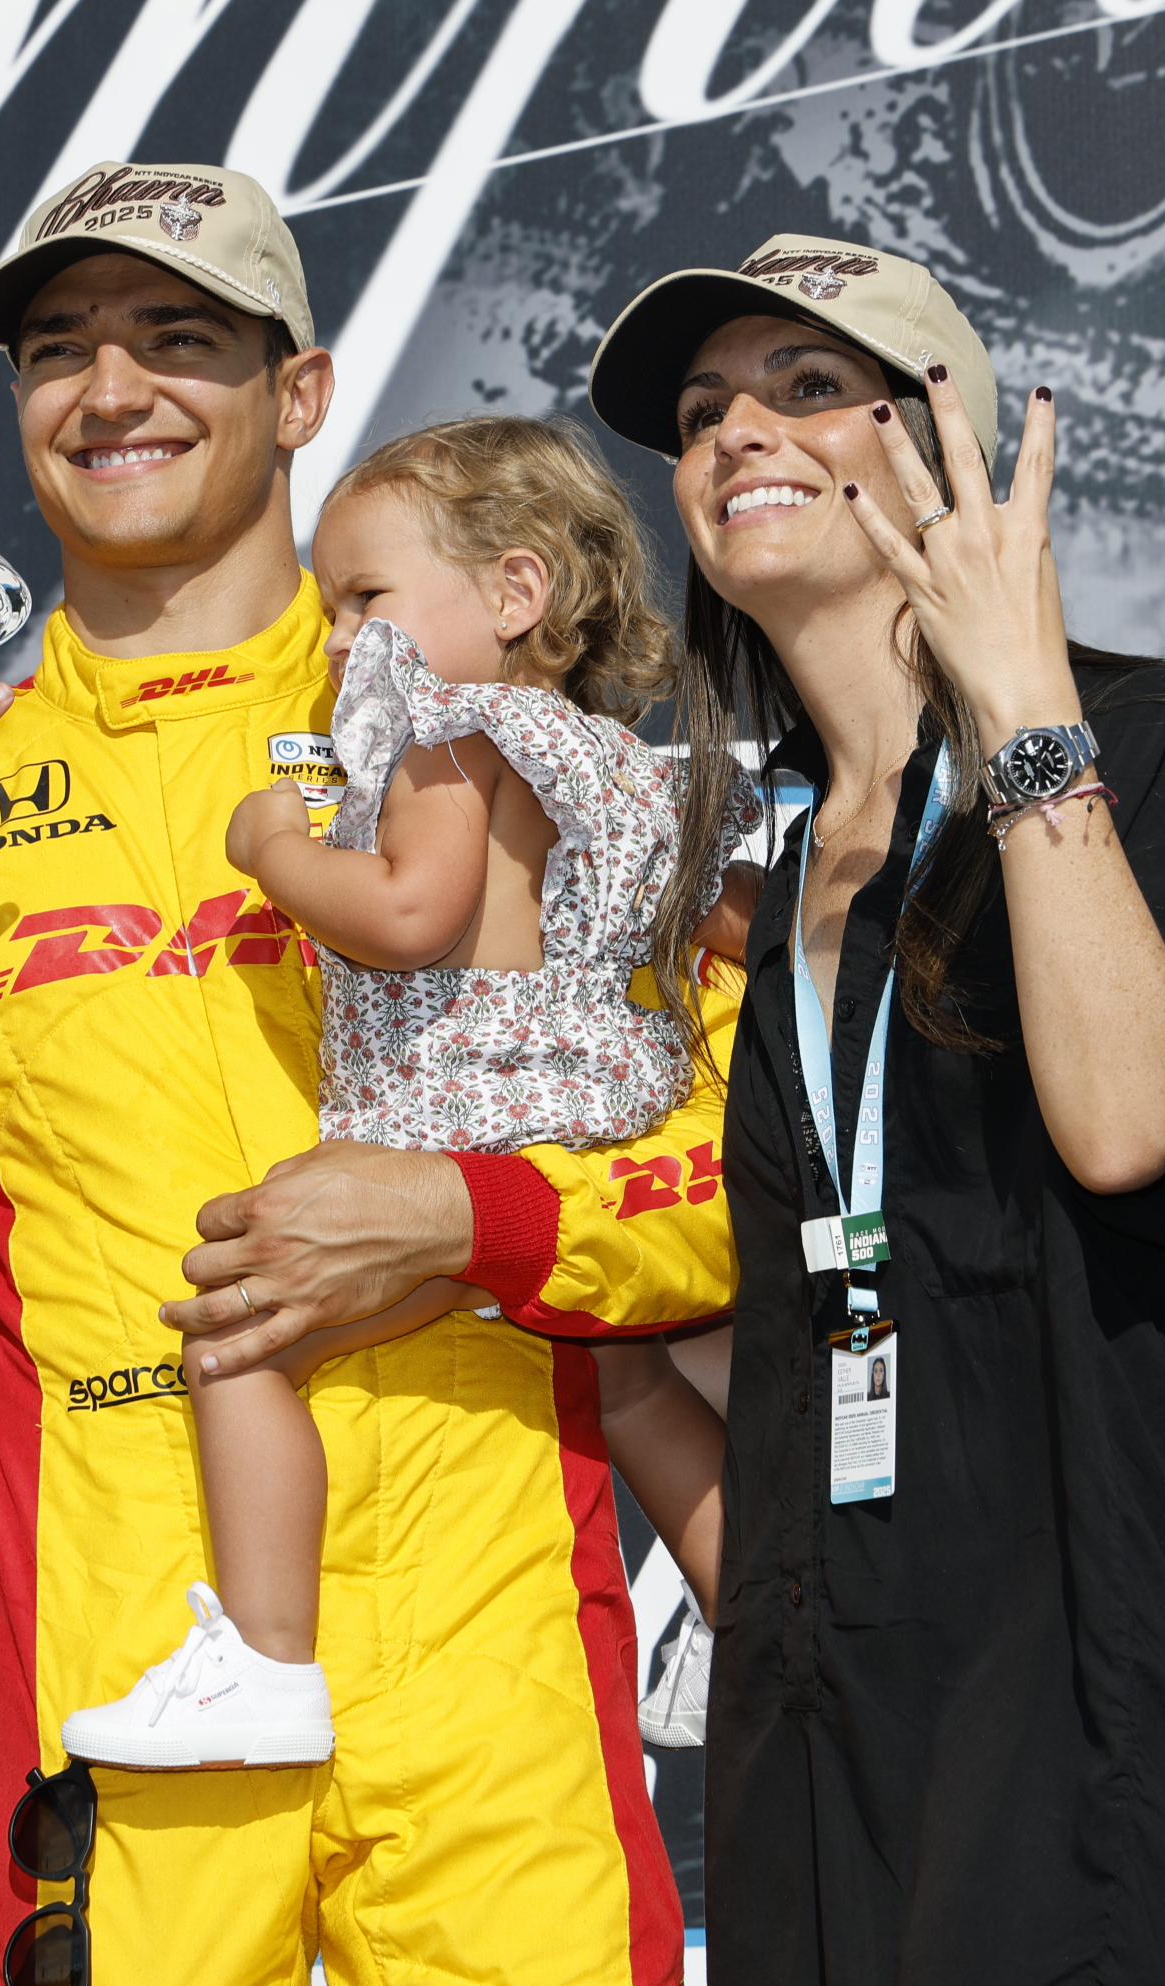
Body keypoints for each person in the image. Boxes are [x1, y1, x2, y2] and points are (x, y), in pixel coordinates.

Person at [0, 165, 735, 1986]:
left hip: (487, 1584)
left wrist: (461, 1213)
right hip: (129, 1644)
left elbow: (733, 1194)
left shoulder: (495, 724)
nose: (111, 393)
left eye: (179, 339)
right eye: (55, 349)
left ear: (303, 395)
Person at [583, 234, 1165, 1986]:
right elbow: (779, 1366)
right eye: (701, 413)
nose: (737, 429)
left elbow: (1130, 1120)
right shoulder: (762, 897)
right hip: (819, 1760)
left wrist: (1024, 717)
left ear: (938, 448)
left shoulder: (1159, 745)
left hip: (1088, 1736)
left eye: (805, 387)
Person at [57, 416, 751, 1771]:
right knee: (635, 1383)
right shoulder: (620, 761)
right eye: (326, 607)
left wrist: (271, 847)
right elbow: (724, 922)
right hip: (597, 1114)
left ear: (513, 593)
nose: (333, 639)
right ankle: (765, 1617)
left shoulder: (448, 736)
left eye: (364, 597)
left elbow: (408, 913)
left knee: (240, 1333)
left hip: (466, 1122)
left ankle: (262, 1659)